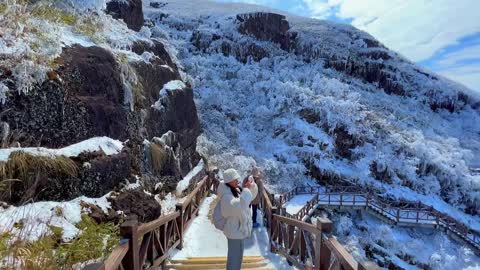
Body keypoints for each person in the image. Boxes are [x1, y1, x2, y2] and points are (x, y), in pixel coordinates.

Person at [218, 168, 258, 270]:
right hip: (234, 231)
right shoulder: (226, 196)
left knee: (237, 258)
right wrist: (247, 190)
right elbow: (239, 207)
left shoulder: (233, 190)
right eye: (235, 179)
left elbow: (248, 198)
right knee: (234, 260)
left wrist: (251, 187)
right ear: (229, 181)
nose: (238, 181)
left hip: (237, 230)